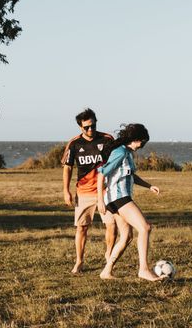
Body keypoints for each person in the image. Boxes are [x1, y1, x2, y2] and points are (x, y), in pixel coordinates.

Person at [97, 123, 165, 281]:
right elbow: (101, 174)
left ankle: (106, 271)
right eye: (142, 142)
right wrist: (100, 200)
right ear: (135, 139)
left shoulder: (127, 153)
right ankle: (143, 269)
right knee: (145, 228)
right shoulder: (120, 152)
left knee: (126, 236)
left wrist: (149, 186)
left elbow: (131, 176)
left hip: (118, 198)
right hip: (118, 198)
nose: (142, 145)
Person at [62, 108, 120, 274]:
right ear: (80, 127)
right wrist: (66, 191)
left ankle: (108, 255)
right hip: (84, 192)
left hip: (106, 191)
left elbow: (117, 160)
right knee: (81, 228)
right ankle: (79, 262)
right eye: (86, 127)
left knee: (112, 225)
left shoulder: (107, 139)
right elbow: (67, 168)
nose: (90, 129)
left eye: (93, 126)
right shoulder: (74, 144)